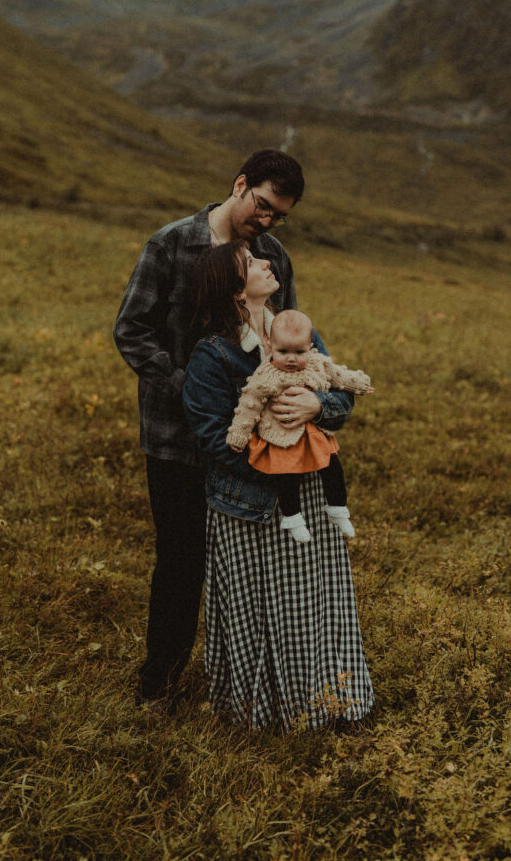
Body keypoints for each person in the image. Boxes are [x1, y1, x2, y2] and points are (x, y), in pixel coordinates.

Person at [114, 150, 331, 709]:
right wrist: (193, 387)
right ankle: (158, 685)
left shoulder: (272, 255)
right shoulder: (172, 243)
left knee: (247, 564)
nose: (267, 222)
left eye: (279, 216)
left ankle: (244, 683)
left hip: (255, 442)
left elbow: (291, 335)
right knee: (181, 561)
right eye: (262, 206)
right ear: (239, 185)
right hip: (174, 437)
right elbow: (132, 331)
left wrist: (308, 399)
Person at [183, 242, 374, 731]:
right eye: (252, 264)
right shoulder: (213, 353)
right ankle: (265, 714)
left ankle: (331, 704)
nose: (268, 263)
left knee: (317, 602)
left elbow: (339, 396)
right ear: (233, 289)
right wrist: (279, 461)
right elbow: (211, 436)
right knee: (260, 611)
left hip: (309, 493)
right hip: (248, 501)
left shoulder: (299, 330)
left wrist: (319, 408)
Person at [226, 309, 373, 544]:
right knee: (287, 477)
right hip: (281, 435)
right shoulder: (266, 375)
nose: (292, 359)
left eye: (299, 352)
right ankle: (292, 517)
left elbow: (339, 375)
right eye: (283, 352)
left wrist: (361, 384)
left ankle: (338, 508)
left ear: (310, 346)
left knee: (333, 467)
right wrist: (239, 435)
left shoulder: (316, 363)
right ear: (270, 345)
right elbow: (249, 404)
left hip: (313, 433)